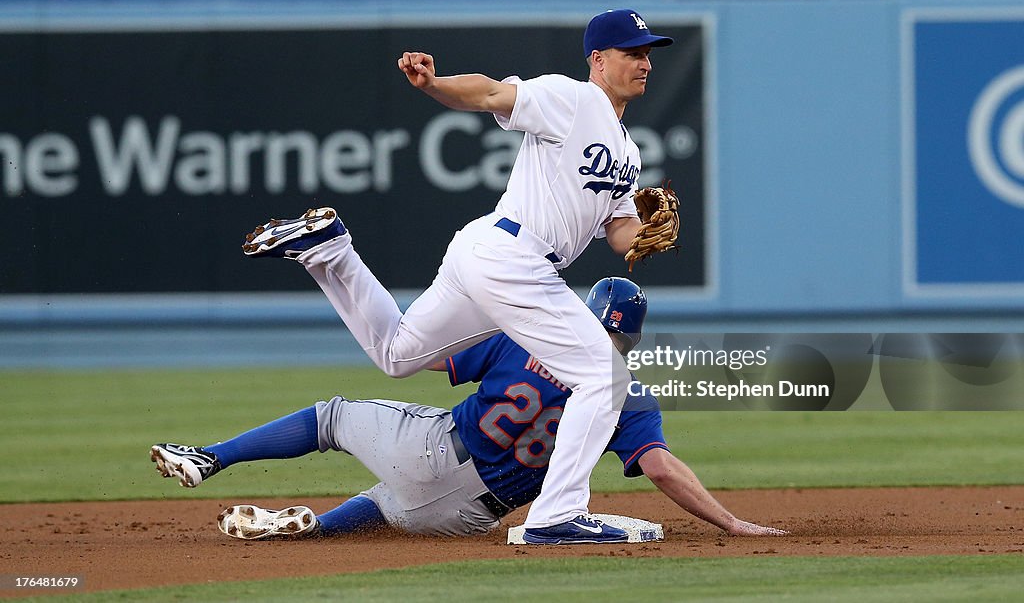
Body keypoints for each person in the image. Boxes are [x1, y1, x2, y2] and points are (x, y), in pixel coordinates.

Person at [239, 8, 674, 545]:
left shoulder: (627, 150)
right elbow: (492, 94)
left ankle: (328, 251)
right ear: (598, 59)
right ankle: (556, 515)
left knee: (397, 355)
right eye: (633, 52)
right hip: (513, 257)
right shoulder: (575, 99)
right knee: (603, 378)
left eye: (648, 53)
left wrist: (651, 233)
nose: (645, 62)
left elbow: (620, 233)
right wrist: (434, 84)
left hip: (490, 255)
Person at [151, 278, 788, 542]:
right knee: (385, 507)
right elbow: (662, 469)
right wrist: (731, 524)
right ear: (632, 338)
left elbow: (429, 358)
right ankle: (317, 532)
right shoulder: (630, 394)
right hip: (470, 515)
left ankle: (211, 457)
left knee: (331, 418)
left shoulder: (528, 336)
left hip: (435, 450)